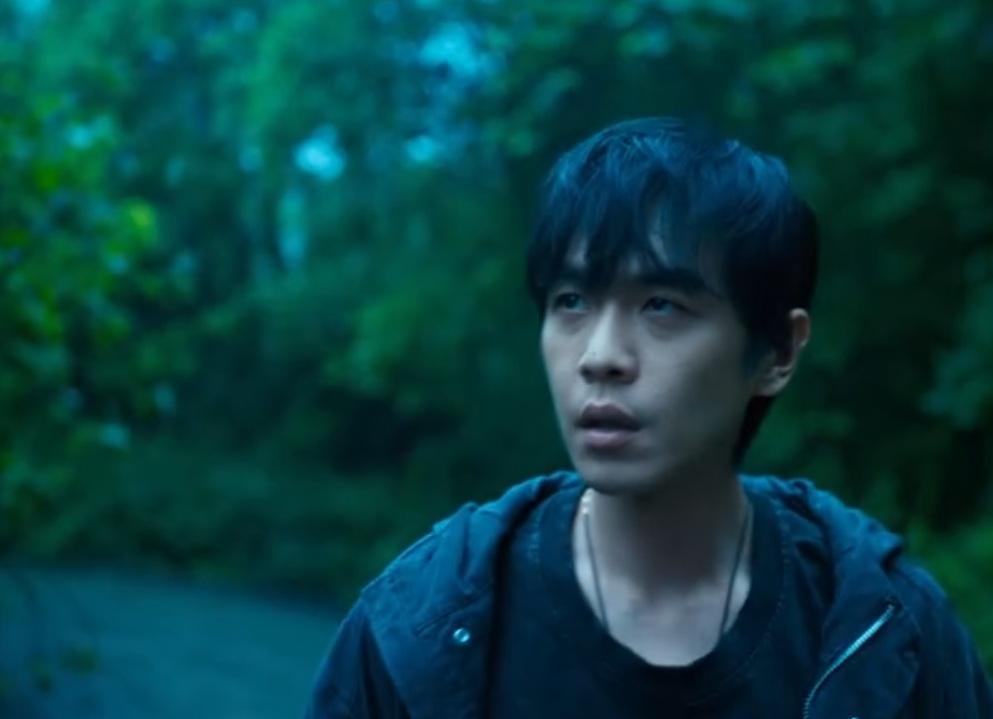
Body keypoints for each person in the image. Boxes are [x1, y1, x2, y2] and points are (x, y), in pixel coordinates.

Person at [305, 118, 993, 718]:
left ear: (778, 352)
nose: (600, 356)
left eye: (662, 305)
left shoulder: (885, 632)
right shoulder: (423, 623)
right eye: (571, 301)